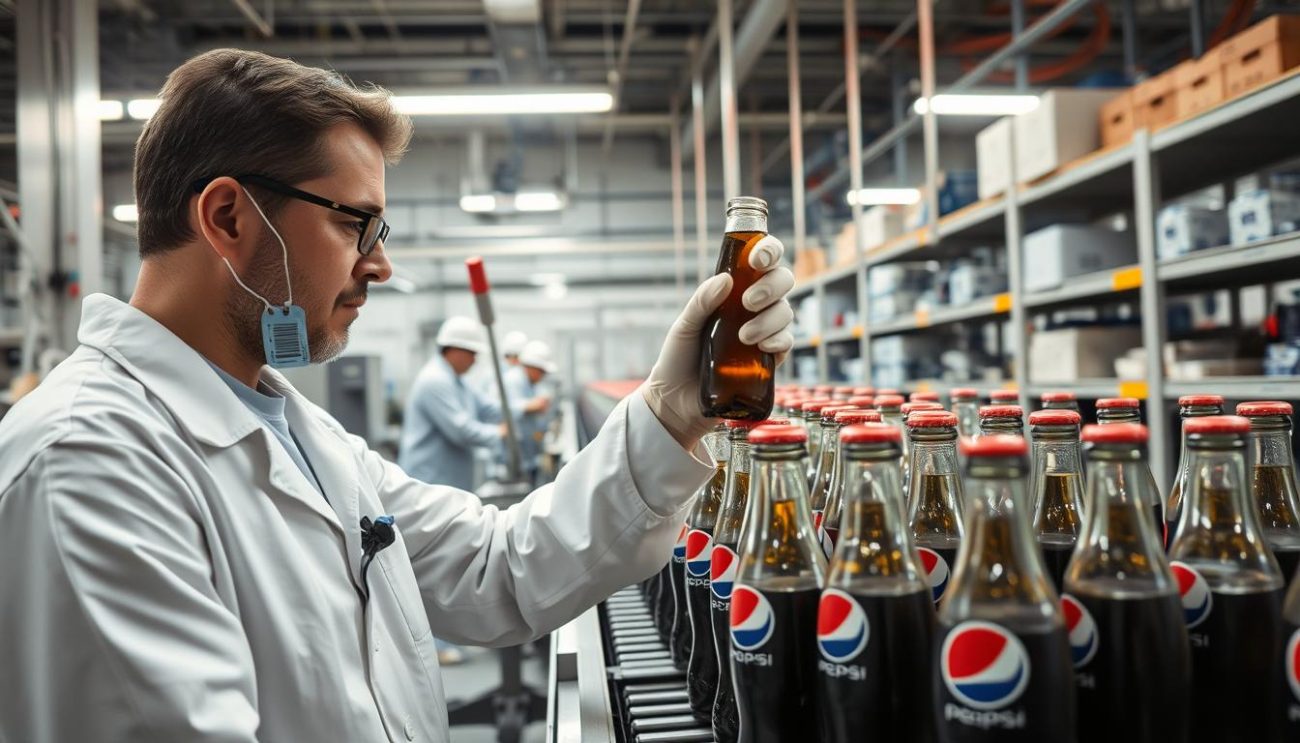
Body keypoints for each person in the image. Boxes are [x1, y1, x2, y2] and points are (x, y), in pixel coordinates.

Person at [0, 48, 796, 743]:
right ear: (228, 216)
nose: (379, 267)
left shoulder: (294, 431)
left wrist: (669, 412)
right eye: (358, 226)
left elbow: (497, 568)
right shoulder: (91, 465)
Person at [398, 316, 506, 492]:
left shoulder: (457, 381)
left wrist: (522, 410)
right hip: (430, 482)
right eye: (472, 353)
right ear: (455, 349)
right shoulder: (434, 380)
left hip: (446, 482)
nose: (475, 360)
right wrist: (500, 433)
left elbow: (487, 408)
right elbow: (461, 431)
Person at [504, 340, 557, 486]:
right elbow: (504, 410)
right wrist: (530, 406)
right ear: (532, 367)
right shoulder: (512, 380)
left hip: (528, 457)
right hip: (514, 461)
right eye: (542, 371)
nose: (543, 376)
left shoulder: (530, 384)